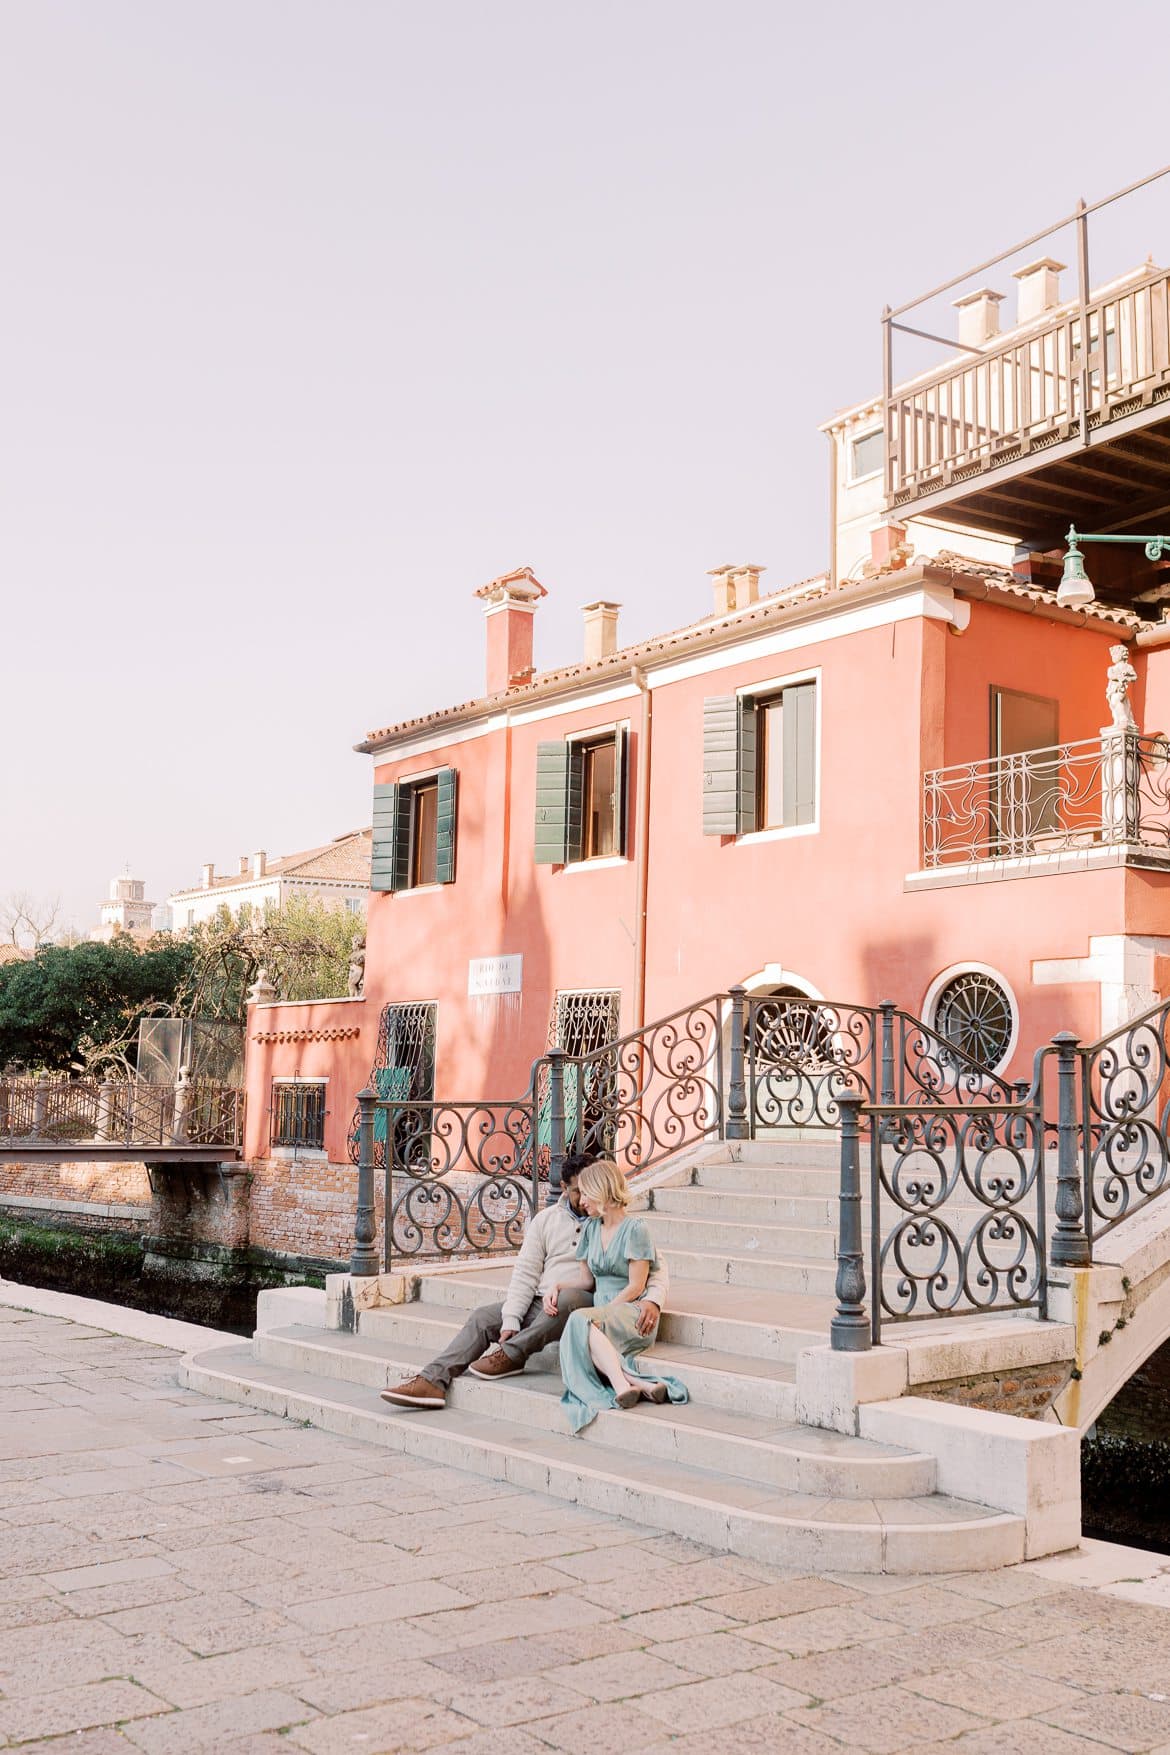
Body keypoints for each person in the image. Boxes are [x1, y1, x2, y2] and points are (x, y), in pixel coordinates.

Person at [380, 1153, 668, 1409]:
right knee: (483, 1317)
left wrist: (652, 1300)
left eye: (588, 1191)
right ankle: (432, 1380)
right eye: (577, 1191)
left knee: (570, 1302)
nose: (583, 1199)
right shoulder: (545, 1221)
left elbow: (655, 1267)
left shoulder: (620, 1224)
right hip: (544, 1300)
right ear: (565, 1190)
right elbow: (526, 1273)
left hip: (584, 1301)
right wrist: (511, 1320)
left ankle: (512, 1355)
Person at [551, 1158, 689, 1434]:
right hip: (601, 1312)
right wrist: (557, 1287)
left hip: (630, 1310)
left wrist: (603, 1313)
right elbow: (586, 1281)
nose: (581, 1201)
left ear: (602, 1190)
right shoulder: (590, 1228)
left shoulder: (636, 1229)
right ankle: (641, 1385)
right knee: (583, 1325)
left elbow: (637, 1286)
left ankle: (620, 1385)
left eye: (586, 1193)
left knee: (580, 1321)